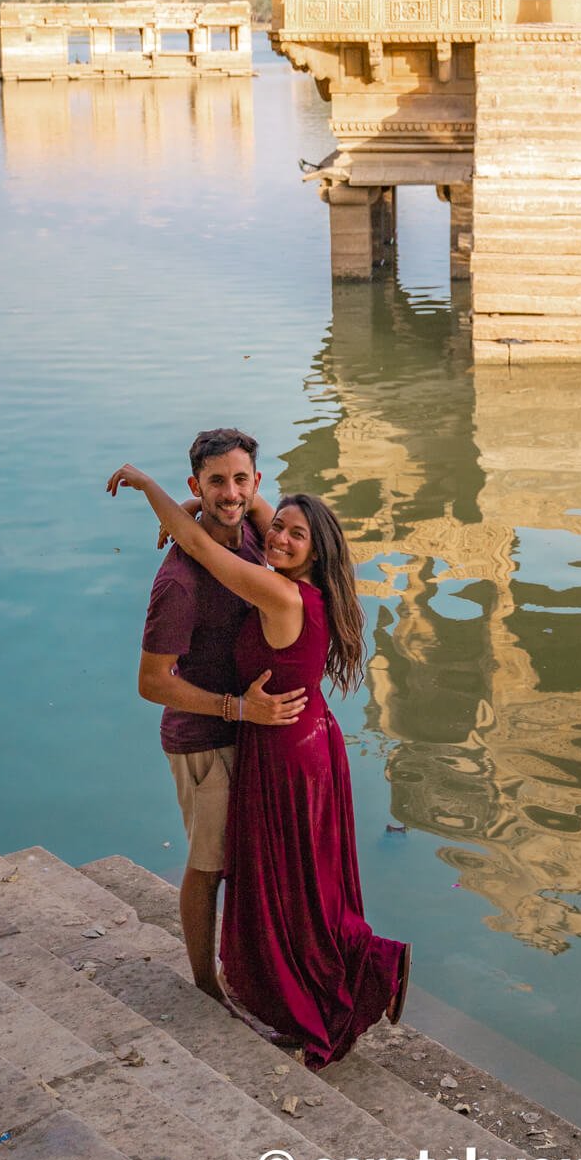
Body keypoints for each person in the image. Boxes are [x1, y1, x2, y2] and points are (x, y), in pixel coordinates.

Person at [111, 460, 411, 1066]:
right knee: (305, 880)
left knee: (291, 883)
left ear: (314, 551)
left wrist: (150, 488)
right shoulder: (303, 577)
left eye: (293, 535)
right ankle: (351, 971)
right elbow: (251, 514)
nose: (276, 537)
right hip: (307, 739)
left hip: (283, 748)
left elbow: (197, 545)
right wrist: (213, 504)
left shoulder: (276, 589)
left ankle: (369, 966)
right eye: (277, 528)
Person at [138, 427, 306, 998]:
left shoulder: (257, 540)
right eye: (214, 483)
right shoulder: (179, 582)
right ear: (196, 484)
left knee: (248, 863)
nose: (231, 493)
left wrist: (187, 507)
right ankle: (206, 986)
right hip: (205, 741)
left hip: (251, 730)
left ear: (256, 482)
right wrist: (237, 708)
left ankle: (250, 970)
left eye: (240, 480)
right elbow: (152, 682)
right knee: (208, 867)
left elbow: (257, 507)